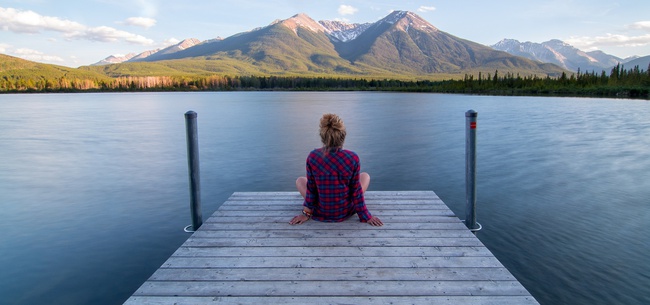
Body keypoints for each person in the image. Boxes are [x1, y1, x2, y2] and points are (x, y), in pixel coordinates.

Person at [290, 113, 383, 226]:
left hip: (321, 210)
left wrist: (306, 213)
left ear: (323, 137)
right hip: (345, 211)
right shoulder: (352, 158)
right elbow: (356, 191)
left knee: (300, 180)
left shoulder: (313, 157)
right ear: (343, 136)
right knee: (365, 176)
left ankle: (314, 208)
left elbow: (311, 189)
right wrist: (365, 216)